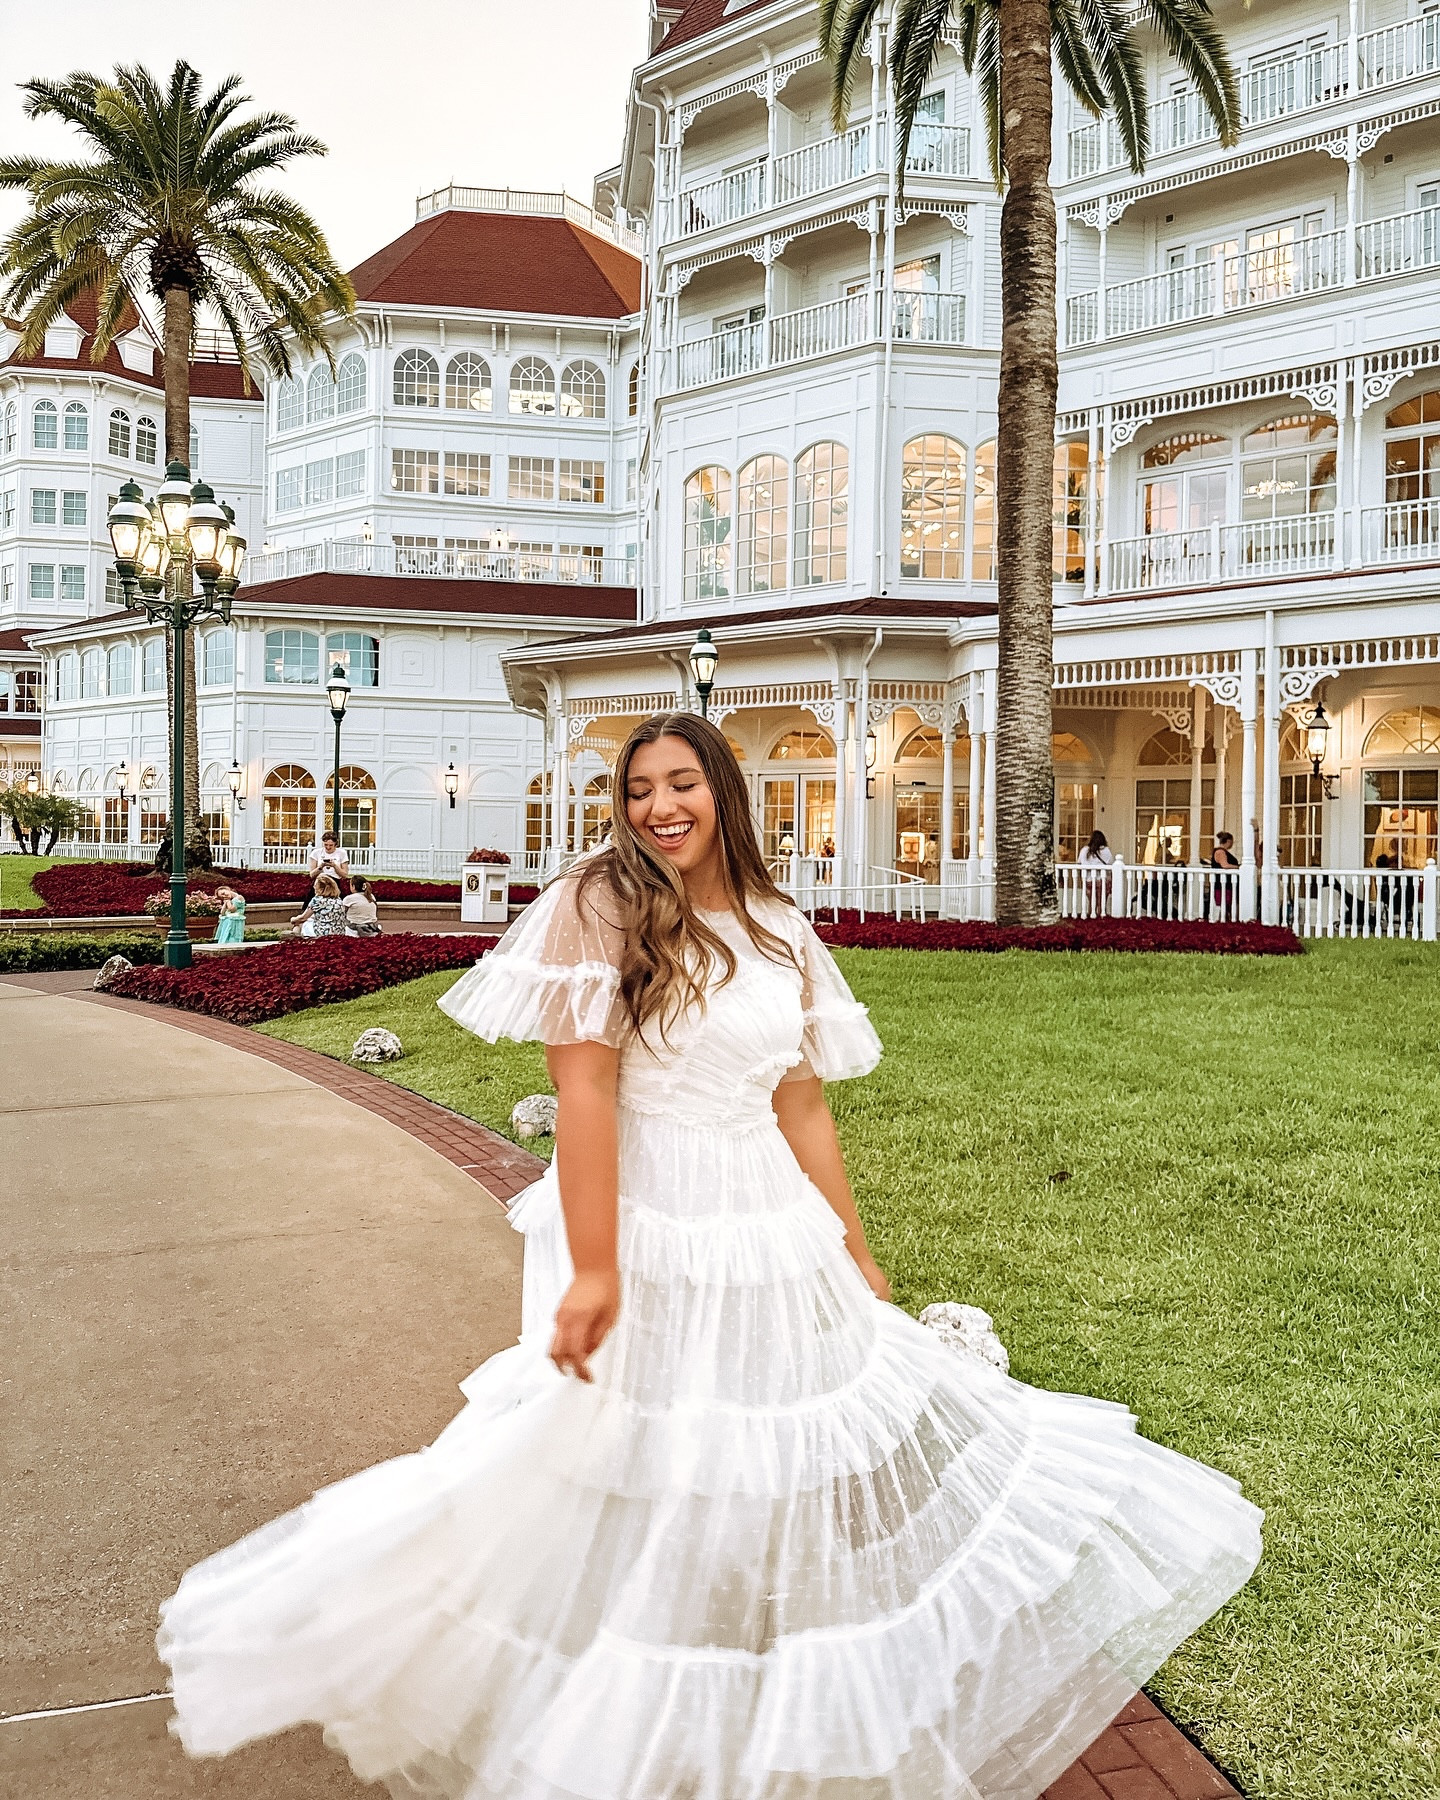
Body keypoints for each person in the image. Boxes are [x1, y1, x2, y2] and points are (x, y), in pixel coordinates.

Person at [157, 712, 1262, 1800]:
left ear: (722, 791)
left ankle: (751, 1721)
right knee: (629, 1476)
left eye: (680, 783)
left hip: (772, 1229)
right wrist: (597, 1268)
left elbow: (804, 1103)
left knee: (769, 1481)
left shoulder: (779, 924)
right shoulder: (597, 905)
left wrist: (855, 1249)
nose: (659, 808)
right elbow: (584, 1093)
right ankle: (601, 1728)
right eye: (639, 790)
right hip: (649, 1218)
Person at [288, 873, 347, 938]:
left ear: (321, 889)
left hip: (323, 933)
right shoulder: (339, 900)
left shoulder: (317, 900)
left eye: (315, 886)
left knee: (298, 924)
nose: (314, 888)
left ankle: (296, 945)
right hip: (339, 933)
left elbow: (303, 918)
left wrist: (293, 919)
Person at [1077, 828, 1113, 914]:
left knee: (1091, 903)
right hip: (1102, 880)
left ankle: (1090, 918)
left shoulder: (1085, 850)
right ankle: (1101, 919)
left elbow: (1079, 863)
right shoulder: (1106, 851)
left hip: (1088, 881)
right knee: (1101, 903)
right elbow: (1110, 865)